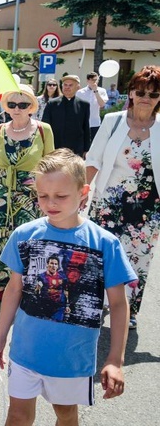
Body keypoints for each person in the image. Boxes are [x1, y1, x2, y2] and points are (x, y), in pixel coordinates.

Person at [0, 149, 135, 426]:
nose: (51, 203)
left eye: (61, 196)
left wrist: (115, 359)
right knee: (17, 416)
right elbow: (14, 290)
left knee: (65, 415)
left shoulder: (104, 244)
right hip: (25, 351)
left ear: (83, 192)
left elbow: (117, 303)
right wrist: (0, 337)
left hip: (71, 359)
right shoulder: (25, 235)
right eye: (43, 196)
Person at [86, 65, 160, 329]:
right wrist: (83, 191)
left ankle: (129, 310)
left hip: (148, 209)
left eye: (152, 94)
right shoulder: (113, 121)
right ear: (130, 92)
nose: (145, 98)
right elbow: (93, 159)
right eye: (140, 91)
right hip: (108, 202)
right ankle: (95, 303)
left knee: (138, 259)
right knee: (101, 255)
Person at [0, 85, 55, 301]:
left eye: (22, 105)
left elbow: (51, 163)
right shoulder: (0, 129)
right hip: (2, 190)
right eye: (12, 104)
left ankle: (24, 282)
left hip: (31, 193)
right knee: (0, 236)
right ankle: (1, 281)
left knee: (28, 237)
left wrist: (50, 194)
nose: (17, 109)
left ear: (31, 107)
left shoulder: (44, 129)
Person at [42, 74, 91, 156]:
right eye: (65, 85)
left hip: (76, 149)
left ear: (78, 87)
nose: (67, 87)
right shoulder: (52, 104)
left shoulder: (84, 105)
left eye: (70, 85)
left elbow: (86, 128)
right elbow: (45, 126)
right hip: (55, 147)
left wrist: (86, 149)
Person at [76, 72, 108, 140]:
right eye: (93, 80)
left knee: (94, 144)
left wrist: (96, 91)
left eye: (97, 80)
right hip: (82, 123)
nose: (95, 82)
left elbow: (102, 104)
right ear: (88, 80)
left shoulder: (102, 91)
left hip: (95, 122)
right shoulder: (80, 92)